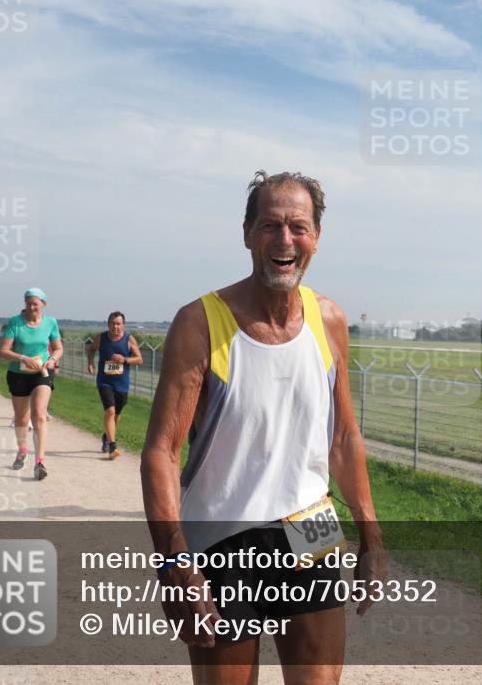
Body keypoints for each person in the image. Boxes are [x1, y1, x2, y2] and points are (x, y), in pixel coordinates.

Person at [141, 171, 385, 684]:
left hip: (310, 529)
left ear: (316, 236)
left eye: (298, 226)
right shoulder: (200, 321)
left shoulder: (330, 320)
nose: (284, 240)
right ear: (247, 232)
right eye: (270, 225)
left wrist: (371, 536)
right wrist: (175, 565)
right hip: (222, 538)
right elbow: (162, 451)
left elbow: (343, 438)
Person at [0, 288, 62, 481]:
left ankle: (39, 462)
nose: (32, 307)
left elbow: (58, 348)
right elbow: (3, 351)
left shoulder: (51, 323)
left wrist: (52, 359)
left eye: (35, 303)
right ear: (24, 304)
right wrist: (23, 358)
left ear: (44, 304)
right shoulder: (15, 323)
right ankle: (22, 450)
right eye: (28, 303)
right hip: (18, 373)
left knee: (39, 414)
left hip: (42, 372)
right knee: (21, 418)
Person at [87, 311, 143, 459]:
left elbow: (139, 359)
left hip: (122, 384)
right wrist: (90, 362)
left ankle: (107, 436)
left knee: (116, 415)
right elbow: (91, 349)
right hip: (104, 382)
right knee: (110, 411)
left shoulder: (129, 339)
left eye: (118, 324)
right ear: (108, 324)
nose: (115, 326)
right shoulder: (101, 338)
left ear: (123, 325)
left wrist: (124, 359)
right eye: (112, 323)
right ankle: (113, 446)